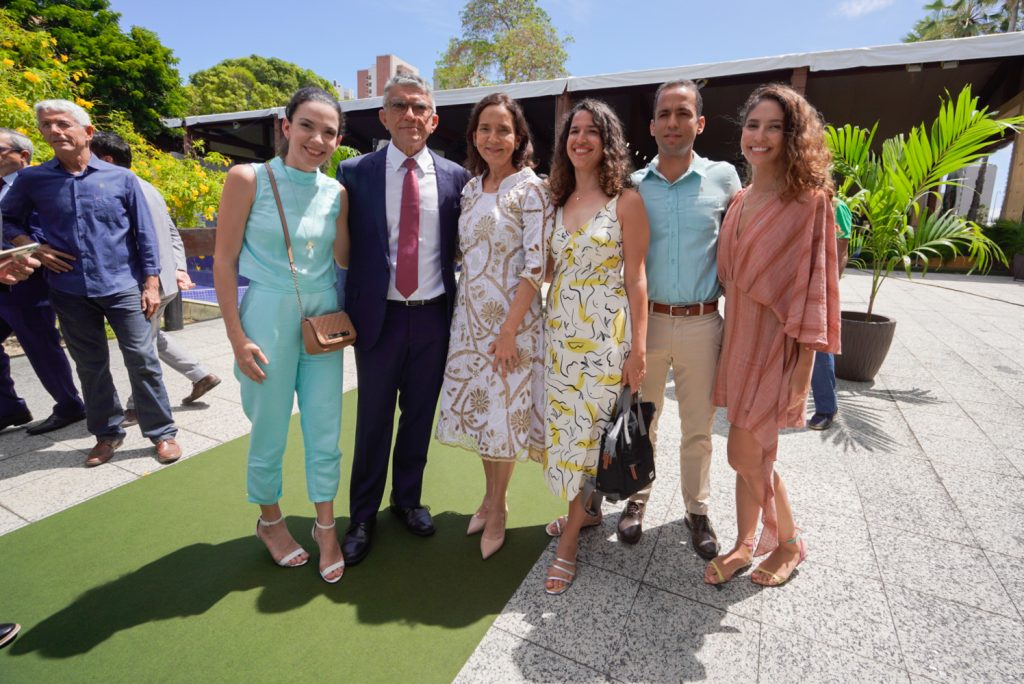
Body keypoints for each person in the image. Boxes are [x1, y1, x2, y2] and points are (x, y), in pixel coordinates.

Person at [706, 84, 840, 588]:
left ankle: (788, 541)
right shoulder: (740, 199)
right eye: (753, 125)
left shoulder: (810, 202)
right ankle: (745, 543)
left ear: (793, 136)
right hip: (738, 338)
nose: (760, 136)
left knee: (744, 453)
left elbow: (817, 289)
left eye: (774, 127)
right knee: (750, 455)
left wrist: (804, 369)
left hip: (777, 344)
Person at [214, 87, 349, 584]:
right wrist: (235, 336)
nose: (318, 139)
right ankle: (270, 522)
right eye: (308, 126)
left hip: (323, 318)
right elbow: (224, 262)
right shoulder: (247, 177)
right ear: (286, 126)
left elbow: (344, 258)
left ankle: (325, 526)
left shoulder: (336, 192)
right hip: (266, 313)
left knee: (325, 427)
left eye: (329, 132)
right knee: (268, 425)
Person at [2, 99, 181, 467]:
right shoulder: (34, 179)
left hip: (123, 286)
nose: (55, 131)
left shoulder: (121, 178)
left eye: (63, 123)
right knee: (90, 364)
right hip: (69, 289)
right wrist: (34, 247)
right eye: (47, 125)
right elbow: (7, 220)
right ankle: (107, 432)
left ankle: (161, 433)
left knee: (142, 358)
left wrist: (151, 284)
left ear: (87, 132)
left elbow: (144, 235)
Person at [338, 73, 471, 565]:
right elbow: (341, 249)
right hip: (379, 319)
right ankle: (362, 515)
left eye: (420, 108)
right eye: (400, 106)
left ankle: (408, 501)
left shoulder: (457, 178)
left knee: (418, 417)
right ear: (384, 115)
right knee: (372, 421)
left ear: (433, 120)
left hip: (435, 316)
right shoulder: (354, 172)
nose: (411, 115)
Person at [620, 80, 742, 555]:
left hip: (702, 322)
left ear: (700, 122)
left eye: (683, 113)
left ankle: (698, 509)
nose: (674, 123)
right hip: (646, 324)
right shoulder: (632, 185)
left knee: (699, 427)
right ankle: (636, 500)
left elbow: (740, 250)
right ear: (652, 126)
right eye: (665, 114)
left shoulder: (725, 179)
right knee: (643, 419)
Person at [435, 93, 549, 559]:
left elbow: (536, 266)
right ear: (473, 135)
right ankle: (488, 496)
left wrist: (508, 330)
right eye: (485, 129)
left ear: (518, 136)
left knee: (504, 417)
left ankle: (499, 509)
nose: (493, 138)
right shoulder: (468, 188)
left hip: (512, 326)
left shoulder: (532, 188)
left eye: (503, 129)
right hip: (470, 324)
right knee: (485, 417)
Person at [543, 99, 649, 594]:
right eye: (573, 131)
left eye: (591, 132)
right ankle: (583, 515)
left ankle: (568, 540)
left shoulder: (625, 201)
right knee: (567, 436)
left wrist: (639, 351)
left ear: (607, 143)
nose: (580, 139)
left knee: (589, 438)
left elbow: (637, 281)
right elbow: (545, 271)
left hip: (606, 339)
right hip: (560, 339)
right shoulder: (556, 200)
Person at [88, 131, 221, 425]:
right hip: (163, 282)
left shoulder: (116, 190)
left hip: (145, 285)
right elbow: (172, 233)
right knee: (151, 338)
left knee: (140, 347)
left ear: (107, 160)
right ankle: (200, 375)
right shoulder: (148, 187)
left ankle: (138, 406)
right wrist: (179, 267)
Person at [0, 127, 86, 435]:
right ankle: (9, 407)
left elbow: (52, 228)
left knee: (40, 345)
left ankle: (69, 405)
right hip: (2, 280)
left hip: (31, 280)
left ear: (22, 156)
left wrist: (26, 250)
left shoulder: (40, 183)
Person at [807, 200, 852, 430]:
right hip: (793, 284)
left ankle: (826, 407)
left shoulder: (836, 207)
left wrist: (828, 286)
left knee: (820, 348)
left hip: (819, 287)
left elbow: (841, 249)